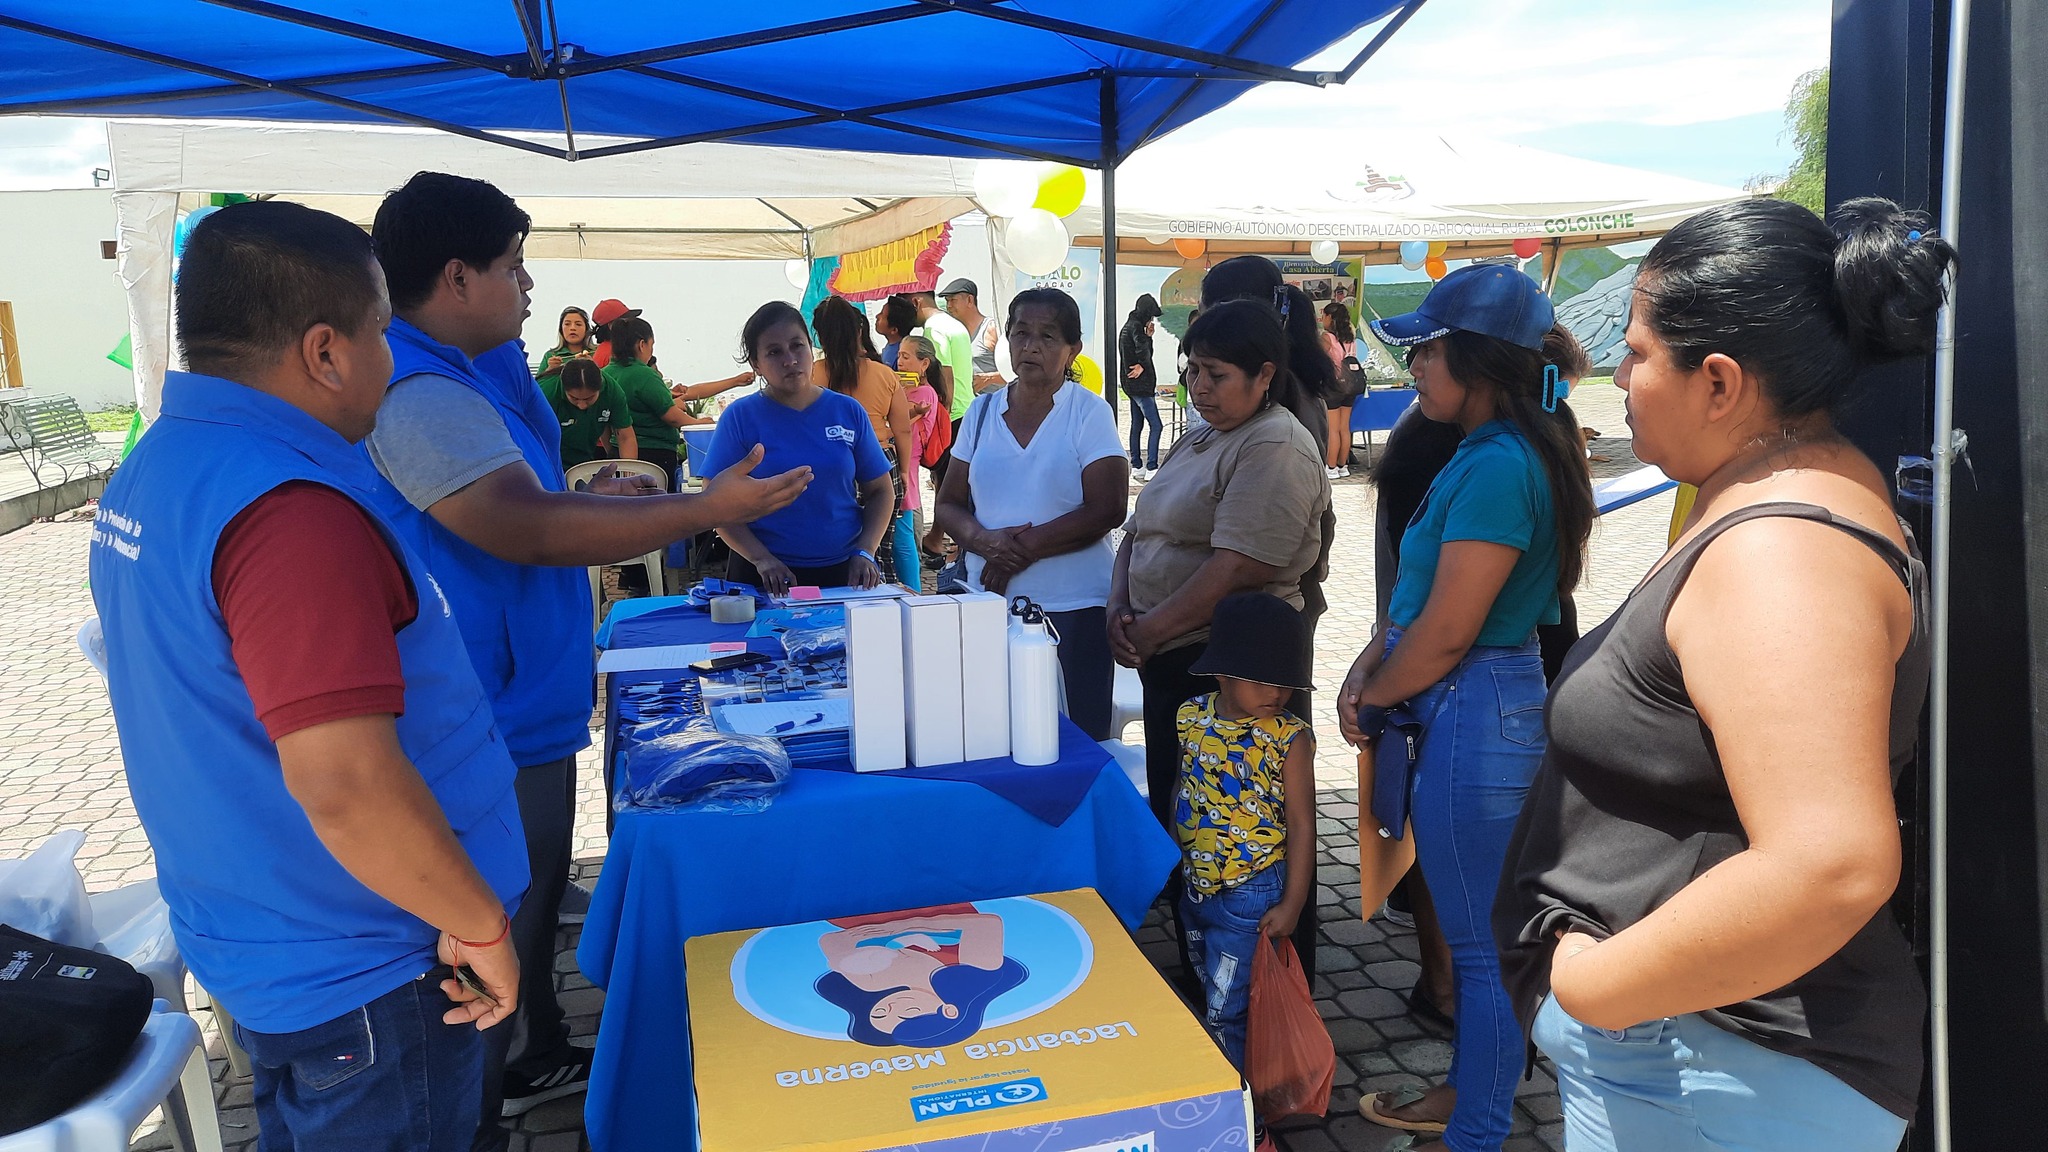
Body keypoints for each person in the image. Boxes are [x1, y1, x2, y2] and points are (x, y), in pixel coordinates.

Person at [1497, 198, 1952, 1152]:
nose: (1618, 376)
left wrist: (1594, 985)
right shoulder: (1781, 491)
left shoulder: (1779, 552)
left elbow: (1830, 863)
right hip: (1697, 1063)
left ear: (1718, 382)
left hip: (1711, 1070)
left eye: (1636, 352)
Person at [364, 172, 808, 1141]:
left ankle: (528, 1051)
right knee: (485, 934)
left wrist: (636, 502)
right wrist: (702, 508)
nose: (530, 287)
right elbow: (519, 523)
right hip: (481, 711)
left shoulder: (484, 362)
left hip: (527, 693)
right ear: (456, 276)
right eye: (513, 266)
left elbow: (542, 488)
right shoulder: (415, 388)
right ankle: (478, 1113)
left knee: (522, 915)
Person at [90, 201, 524, 1150]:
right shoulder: (290, 511)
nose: (390, 360)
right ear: (326, 352)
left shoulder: (161, 465)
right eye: (382, 333)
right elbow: (347, 784)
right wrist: (481, 923)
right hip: (375, 967)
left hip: (268, 936)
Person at [1336, 265, 1594, 1152]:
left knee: (1483, 951)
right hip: (1471, 702)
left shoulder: (1498, 464)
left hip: (1473, 707)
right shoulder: (1495, 451)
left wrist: (1372, 693)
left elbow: (1449, 632)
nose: (1413, 366)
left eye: (1428, 349)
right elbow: (1420, 610)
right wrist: (1370, 664)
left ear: (1479, 360)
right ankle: (1468, 1098)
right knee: (1484, 940)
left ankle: (1477, 1129)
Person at [1110, 299, 1330, 982]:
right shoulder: (1204, 435)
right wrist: (1121, 604)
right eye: (1193, 371)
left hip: (1225, 667)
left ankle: (1264, 989)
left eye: (1216, 374)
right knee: (1188, 817)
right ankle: (1204, 968)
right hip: (1171, 653)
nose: (1199, 387)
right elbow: (1140, 529)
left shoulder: (1274, 444)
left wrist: (1150, 628)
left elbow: (1240, 565)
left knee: (1245, 833)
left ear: (1264, 375)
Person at [935, 288, 1128, 739]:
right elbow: (948, 503)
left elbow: (1108, 507)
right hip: (990, 605)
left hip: (1074, 608)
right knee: (994, 736)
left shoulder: (1088, 413)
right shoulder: (983, 412)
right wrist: (986, 543)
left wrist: (1017, 551)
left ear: (1073, 349)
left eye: (1047, 336)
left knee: (1078, 738)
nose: (1031, 346)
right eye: (1021, 333)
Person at [1173, 592, 1317, 1152]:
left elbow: (1302, 824)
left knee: (1223, 1012)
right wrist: (1172, 854)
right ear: (1221, 672)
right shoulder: (1190, 716)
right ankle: (1223, 1098)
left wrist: (1294, 901)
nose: (1276, 693)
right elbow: (1183, 787)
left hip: (1252, 895)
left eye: (1285, 683)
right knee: (1206, 992)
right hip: (1195, 887)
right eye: (1261, 680)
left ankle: (1243, 1123)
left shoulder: (1289, 737)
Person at [702, 301, 894, 593]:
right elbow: (713, 501)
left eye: (797, 346)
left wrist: (866, 550)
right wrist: (761, 558)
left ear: (811, 349)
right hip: (764, 578)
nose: (790, 360)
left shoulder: (848, 411)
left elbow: (881, 490)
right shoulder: (740, 418)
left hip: (844, 575)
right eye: (774, 352)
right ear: (756, 364)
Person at [813, 296, 918, 585]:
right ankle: (881, 601)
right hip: (881, 462)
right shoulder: (884, 374)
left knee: (836, 546)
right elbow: (902, 430)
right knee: (879, 548)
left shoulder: (813, 374)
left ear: (820, 335)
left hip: (831, 464)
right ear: (859, 330)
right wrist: (905, 470)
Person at [814, 906, 1029, 1047]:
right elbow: (985, 923)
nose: (890, 1006)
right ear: (950, 1010)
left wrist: (901, 938)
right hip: (942, 895)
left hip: (860, 909)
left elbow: (831, 941)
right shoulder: (980, 965)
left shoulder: (871, 982)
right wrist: (900, 934)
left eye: (879, 1013)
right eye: (907, 1013)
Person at [897, 334, 949, 581]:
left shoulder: (924, 393)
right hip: (904, 455)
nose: (900, 361)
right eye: (899, 355)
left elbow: (899, 418)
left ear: (924, 363)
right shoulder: (909, 387)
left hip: (909, 455)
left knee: (907, 507)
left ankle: (913, 575)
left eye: (906, 357)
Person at [542, 357, 634, 468]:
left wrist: (629, 472)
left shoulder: (612, 391)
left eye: (589, 398)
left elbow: (625, 437)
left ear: (600, 388)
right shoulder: (546, 392)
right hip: (546, 460)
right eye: (574, 398)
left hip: (585, 460)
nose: (582, 406)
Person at [1120, 293, 1164, 479]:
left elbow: (1139, 350)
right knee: (1156, 425)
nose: (1152, 320)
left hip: (1130, 385)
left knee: (1136, 424)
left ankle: (1137, 465)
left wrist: (1149, 337)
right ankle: (1152, 467)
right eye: (1151, 315)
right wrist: (1143, 365)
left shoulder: (1128, 326)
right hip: (1141, 386)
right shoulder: (1137, 328)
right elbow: (1143, 352)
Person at [939, 277, 1003, 394]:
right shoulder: (954, 333)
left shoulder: (991, 329)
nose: (949, 306)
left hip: (995, 402)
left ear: (969, 300)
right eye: (947, 301)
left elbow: (1016, 371)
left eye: (953, 300)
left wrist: (988, 379)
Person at [1321, 302, 1358, 478]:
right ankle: (1343, 466)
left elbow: (1320, 360)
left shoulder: (1326, 338)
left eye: (1324, 316)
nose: (1322, 319)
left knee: (1333, 429)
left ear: (1330, 317)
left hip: (1333, 386)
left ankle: (1331, 467)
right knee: (1344, 427)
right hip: (1350, 385)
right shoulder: (1351, 338)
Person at [536, 305, 595, 385]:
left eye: (578, 324)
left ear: (586, 329)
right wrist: (550, 370)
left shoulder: (596, 352)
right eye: (567, 324)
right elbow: (537, 386)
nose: (572, 328)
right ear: (561, 329)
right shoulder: (550, 355)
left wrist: (592, 366)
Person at [874, 293, 921, 371]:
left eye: (882, 314)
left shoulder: (901, 354)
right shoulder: (891, 348)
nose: (877, 316)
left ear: (894, 330)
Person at [588, 297, 637, 369]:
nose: (634, 324)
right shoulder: (614, 353)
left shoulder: (605, 350)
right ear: (611, 326)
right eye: (627, 321)